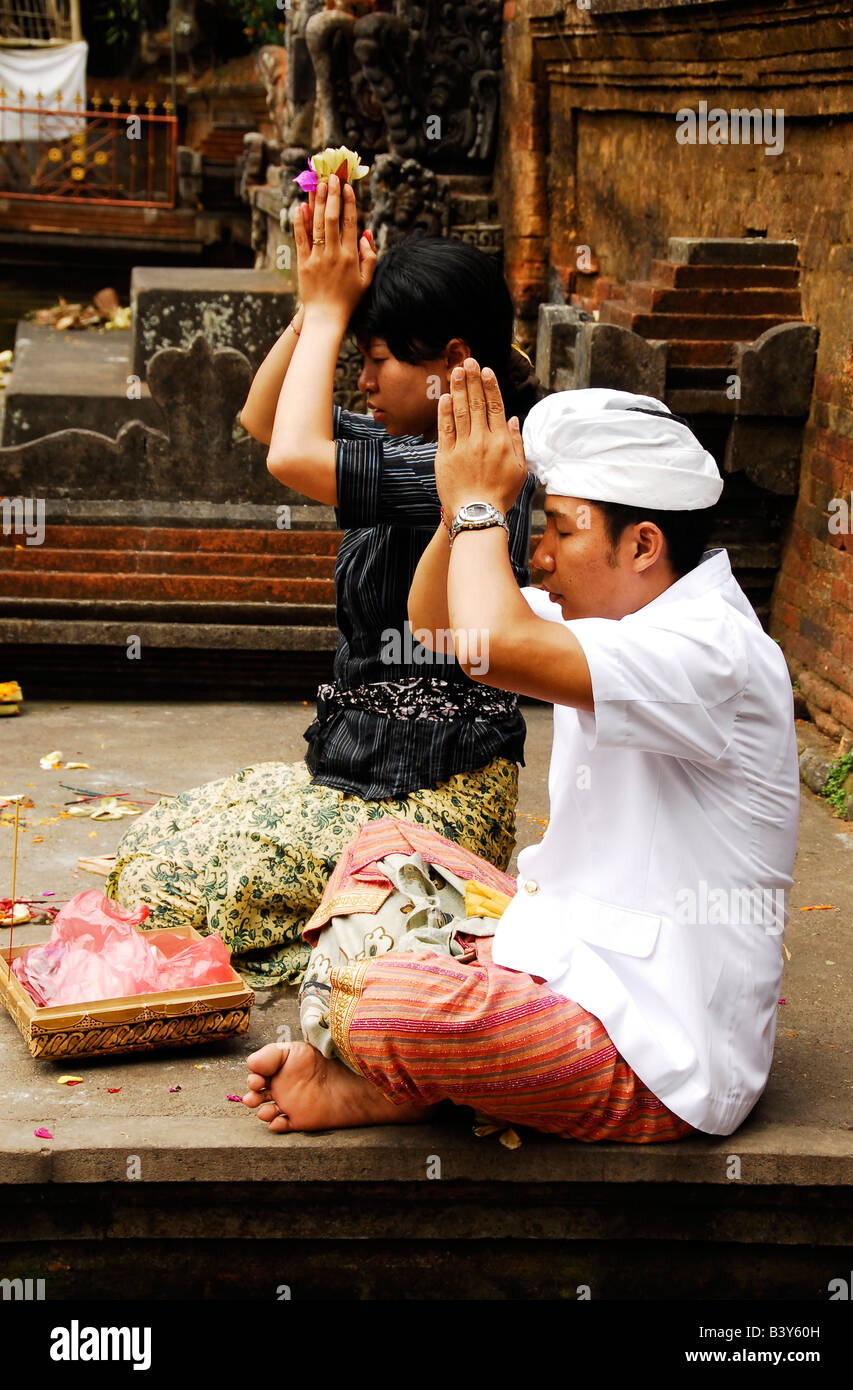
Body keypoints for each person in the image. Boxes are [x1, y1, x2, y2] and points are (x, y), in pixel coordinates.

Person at [242, 366, 800, 1143]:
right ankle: (410, 1067)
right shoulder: (616, 617)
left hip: (657, 1049)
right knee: (382, 844)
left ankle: (390, 1075)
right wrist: (454, 507)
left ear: (642, 544)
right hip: (568, 947)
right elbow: (440, 624)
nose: (539, 557)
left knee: (391, 1003)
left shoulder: (713, 652)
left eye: (561, 532)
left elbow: (491, 647)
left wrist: (481, 508)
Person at [105, 174, 539, 987]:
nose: (361, 382)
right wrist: (318, 303)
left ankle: (379, 956)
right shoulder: (409, 431)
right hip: (359, 778)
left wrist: (335, 309)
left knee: (191, 890)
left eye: (375, 362)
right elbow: (266, 420)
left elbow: (290, 455)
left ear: (452, 363)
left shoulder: (464, 462)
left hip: (433, 799)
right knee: (149, 851)